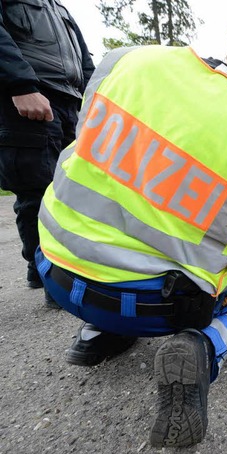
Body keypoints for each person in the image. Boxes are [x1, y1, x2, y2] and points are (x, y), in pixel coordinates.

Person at [35, 7, 227, 448]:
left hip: (54, 268)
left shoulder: (127, 61)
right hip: (150, 306)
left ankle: (95, 334)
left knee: (114, 247)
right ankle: (201, 349)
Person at [0, 0, 94, 305]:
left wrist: (98, 97)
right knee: (37, 187)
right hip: (29, 99)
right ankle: (47, 274)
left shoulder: (59, 9)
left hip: (70, 101)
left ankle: (67, 267)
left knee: (74, 188)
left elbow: (85, 60)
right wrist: (20, 85)